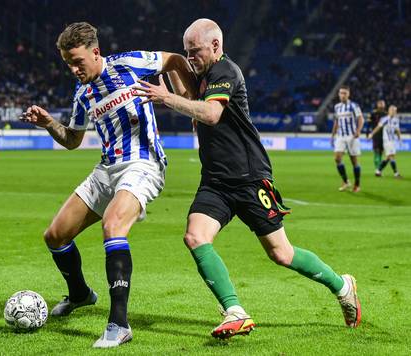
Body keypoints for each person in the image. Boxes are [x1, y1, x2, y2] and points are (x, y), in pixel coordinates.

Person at [135, 18, 361, 339]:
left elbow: (211, 114)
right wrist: (168, 62)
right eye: (187, 52)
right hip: (216, 180)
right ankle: (235, 311)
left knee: (281, 254)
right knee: (195, 237)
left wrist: (167, 98)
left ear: (215, 46)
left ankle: (342, 286)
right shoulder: (203, 72)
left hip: (249, 177)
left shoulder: (226, 71)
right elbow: (190, 96)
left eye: (195, 51)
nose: (191, 58)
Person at [20, 22, 195, 348]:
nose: (73, 69)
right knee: (55, 236)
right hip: (106, 169)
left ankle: (119, 324)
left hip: (144, 163)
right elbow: (72, 140)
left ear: (95, 52)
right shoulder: (82, 93)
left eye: (77, 61)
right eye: (68, 64)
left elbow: (173, 59)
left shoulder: (129, 63)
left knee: (113, 226)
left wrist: (184, 95)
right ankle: (80, 294)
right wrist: (47, 123)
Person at [331, 85, 365, 193]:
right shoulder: (337, 107)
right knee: (337, 158)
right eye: (341, 93)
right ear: (338, 94)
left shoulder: (354, 106)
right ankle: (346, 181)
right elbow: (336, 122)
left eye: (345, 93)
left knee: (354, 161)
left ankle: (357, 184)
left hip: (352, 136)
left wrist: (358, 131)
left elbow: (361, 119)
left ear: (348, 94)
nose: (343, 95)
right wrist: (333, 135)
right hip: (340, 136)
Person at [369, 105, 402, 178]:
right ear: (389, 111)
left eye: (395, 111)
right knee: (391, 156)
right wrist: (371, 134)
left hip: (393, 141)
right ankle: (396, 173)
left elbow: (397, 130)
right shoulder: (384, 119)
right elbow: (378, 127)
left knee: (388, 158)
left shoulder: (396, 120)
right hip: (387, 141)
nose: (393, 112)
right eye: (392, 110)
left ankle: (378, 171)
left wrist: (400, 139)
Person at [367, 100, 387, 170]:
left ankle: (378, 168)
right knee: (376, 151)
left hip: (384, 135)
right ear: (377, 104)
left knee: (381, 152)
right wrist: (367, 133)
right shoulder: (373, 113)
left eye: (383, 104)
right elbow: (368, 124)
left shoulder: (386, 114)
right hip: (375, 134)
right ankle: (377, 168)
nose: (381, 105)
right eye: (380, 103)